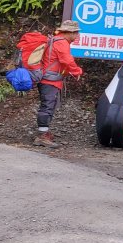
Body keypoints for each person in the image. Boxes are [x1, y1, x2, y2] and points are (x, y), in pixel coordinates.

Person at [32, 19, 84, 147]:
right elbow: (67, 60)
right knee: (47, 106)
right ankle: (42, 136)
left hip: (49, 79)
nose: (77, 36)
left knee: (49, 105)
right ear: (69, 32)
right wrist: (77, 71)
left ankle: (44, 132)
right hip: (49, 80)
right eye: (76, 33)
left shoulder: (56, 40)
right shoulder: (62, 43)